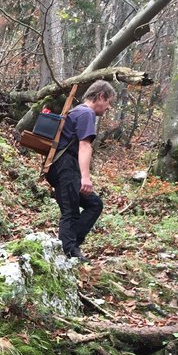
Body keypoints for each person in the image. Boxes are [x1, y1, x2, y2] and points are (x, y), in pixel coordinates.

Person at [45, 79, 116, 261]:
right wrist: (85, 177)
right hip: (65, 167)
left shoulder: (76, 111)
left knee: (94, 204)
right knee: (71, 212)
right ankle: (69, 253)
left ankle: (68, 246)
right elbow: (85, 145)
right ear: (100, 96)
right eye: (109, 102)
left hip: (60, 167)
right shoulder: (86, 114)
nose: (108, 108)